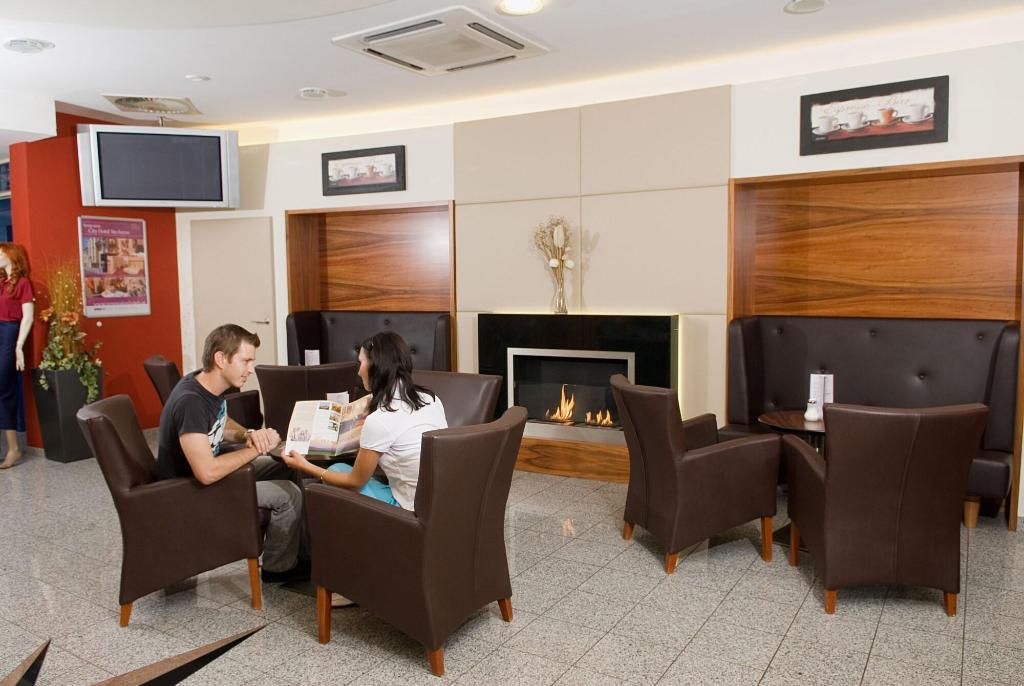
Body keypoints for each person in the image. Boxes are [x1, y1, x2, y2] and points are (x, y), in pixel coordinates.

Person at [157, 324, 308, 582]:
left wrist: (248, 434)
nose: (251, 369)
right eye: (245, 361)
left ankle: (296, 555)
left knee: (289, 465)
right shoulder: (190, 402)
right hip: (191, 490)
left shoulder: (205, 385)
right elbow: (206, 473)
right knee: (288, 494)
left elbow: (219, 422)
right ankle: (278, 569)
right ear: (221, 359)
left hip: (210, 475)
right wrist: (257, 448)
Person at [281, 331, 448, 510]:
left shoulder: (381, 420)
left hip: (411, 509)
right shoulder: (431, 399)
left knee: (338, 469)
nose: (359, 371)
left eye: (361, 363)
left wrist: (305, 466)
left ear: (376, 366)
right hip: (443, 502)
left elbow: (354, 482)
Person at [0, 243, 34, 469]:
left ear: (11, 256)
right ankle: (10, 448)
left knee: (4, 388)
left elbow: (27, 317)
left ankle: (13, 449)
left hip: (9, 334)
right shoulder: (1, 282)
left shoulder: (22, 283)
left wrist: (19, 346)